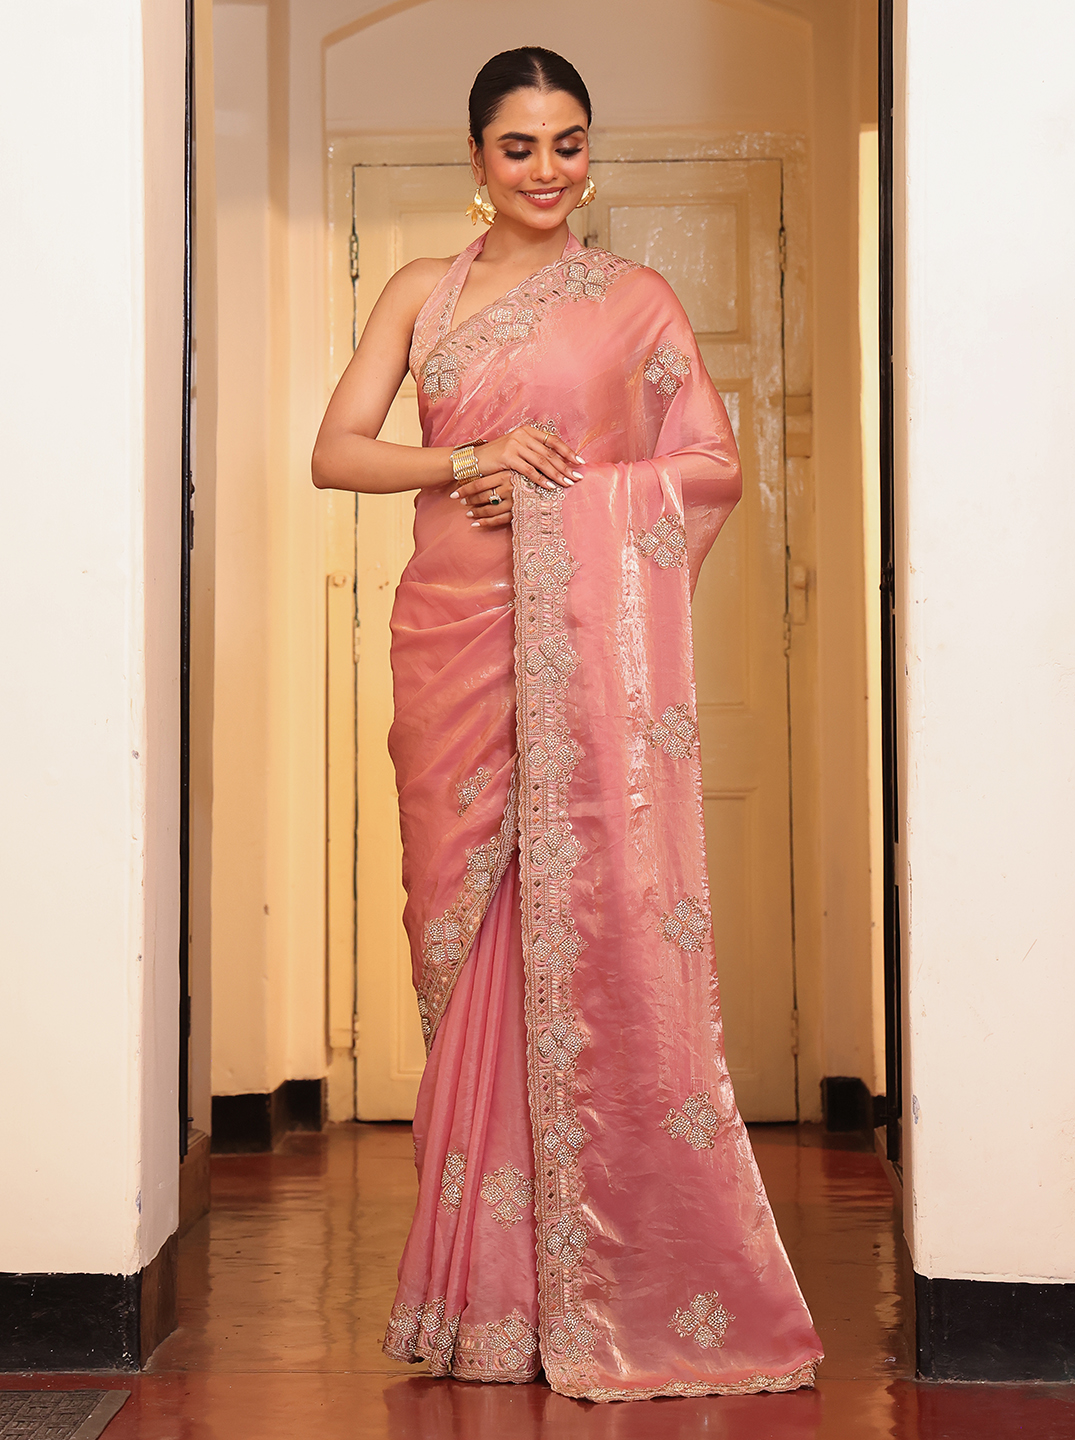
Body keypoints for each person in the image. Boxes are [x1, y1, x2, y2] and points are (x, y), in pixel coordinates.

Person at [312, 45, 823, 1404]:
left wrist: (568, 499)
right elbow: (336, 451)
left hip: (579, 664)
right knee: (463, 946)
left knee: (581, 942)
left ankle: (594, 1284)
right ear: (477, 159)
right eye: (520, 145)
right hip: (449, 650)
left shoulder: (636, 302)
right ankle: (480, 1299)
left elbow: (707, 467)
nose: (547, 169)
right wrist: (469, 458)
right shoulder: (421, 292)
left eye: (569, 142)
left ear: (590, 153)